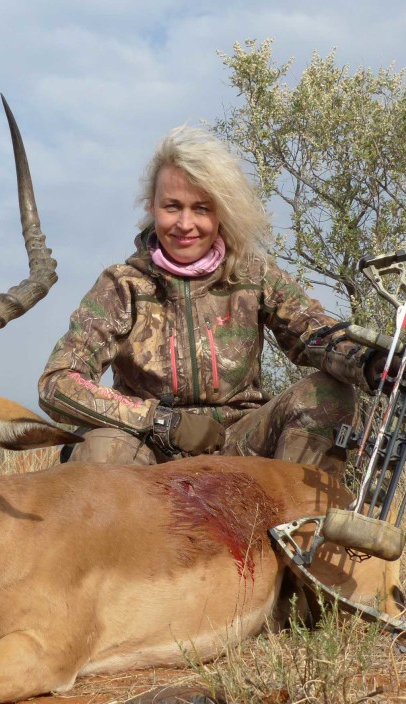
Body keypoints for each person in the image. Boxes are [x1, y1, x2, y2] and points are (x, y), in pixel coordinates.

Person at [38, 125, 383, 476]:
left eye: (201, 208)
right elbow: (58, 383)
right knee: (100, 446)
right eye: (172, 207)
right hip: (148, 451)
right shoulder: (122, 285)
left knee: (330, 394)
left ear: (222, 212)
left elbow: (316, 334)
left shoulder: (254, 274)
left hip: (238, 445)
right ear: (152, 207)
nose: (185, 224)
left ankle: (293, 512)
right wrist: (160, 422)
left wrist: (372, 361)